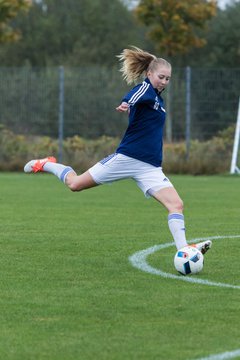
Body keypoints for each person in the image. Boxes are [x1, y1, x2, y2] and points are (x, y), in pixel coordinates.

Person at [24, 46, 212, 255]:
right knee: (75, 184)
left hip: (150, 167)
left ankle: (184, 250)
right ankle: (46, 164)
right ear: (149, 74)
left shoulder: (159, 100)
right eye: (161, 77)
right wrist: (126, 103)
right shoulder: (146, 90)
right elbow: (135, 94)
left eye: (168, 78)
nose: (164, 82)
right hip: (127, 158)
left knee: (176, 204)